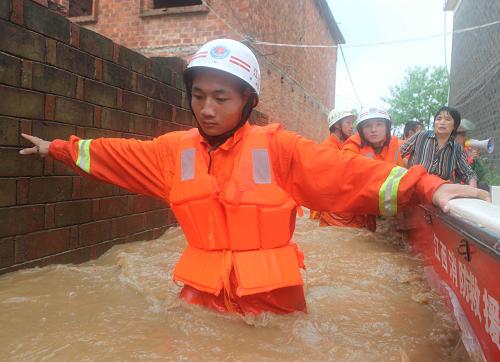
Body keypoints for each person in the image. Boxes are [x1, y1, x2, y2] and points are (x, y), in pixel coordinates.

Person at [19, 39, 489, 316]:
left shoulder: (280, 149)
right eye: (199, 95)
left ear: (247, 100)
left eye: (221, 97)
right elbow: (114, 155)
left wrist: (430, 185)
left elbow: (353, 175)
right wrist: (58, 148)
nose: (207, 108)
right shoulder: (172, 152)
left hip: (272, 312)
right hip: (200, 305)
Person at [333, 107, 404, 231]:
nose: (374, 130)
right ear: (361, 131)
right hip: (344, 217)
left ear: (387, 127)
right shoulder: (352, 146)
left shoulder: (395, 144)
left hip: (367, 214)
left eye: (379, 124)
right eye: (367, 126)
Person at [400, 106, 478, 187]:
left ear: (454, 126)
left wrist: (473, 187)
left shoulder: (457, 148)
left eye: (447, 119)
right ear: (434, 123)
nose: (442, 122)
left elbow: (468, 173)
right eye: (439, 119)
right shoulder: (420, 136)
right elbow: (399, 152)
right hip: (413, 188)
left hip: (438, 193)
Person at [310, 110, 355, 220]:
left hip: (330, 212)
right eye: (348, 123)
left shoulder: (342, 147)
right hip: (323, 213)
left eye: (351, 123)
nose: (351, 127)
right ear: (337, 125)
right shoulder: (328, 148)